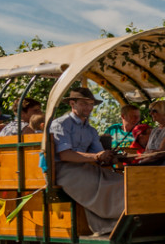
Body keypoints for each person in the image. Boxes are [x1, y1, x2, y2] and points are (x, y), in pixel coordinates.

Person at [49, 87, 123, 236]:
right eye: (84, 104)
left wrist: (112, 156)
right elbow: (65, 155)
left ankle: (118, 221)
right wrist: (96, 157)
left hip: (85, 167)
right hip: (65, 170)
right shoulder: (61, 124)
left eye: (90, 104)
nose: (88, 108)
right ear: (72, 104)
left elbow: (99, 153)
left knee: (121, 180)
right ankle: (107, 224)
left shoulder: (91, 130)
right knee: (98, 183)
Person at [133, 100, 165, 166]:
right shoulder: (155, 130)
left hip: (163, 165)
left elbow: (160, 154)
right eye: (150, 111)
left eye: (154, 111)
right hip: (150, 163)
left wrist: (141, 162)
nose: (151, 113)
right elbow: (147, 152)